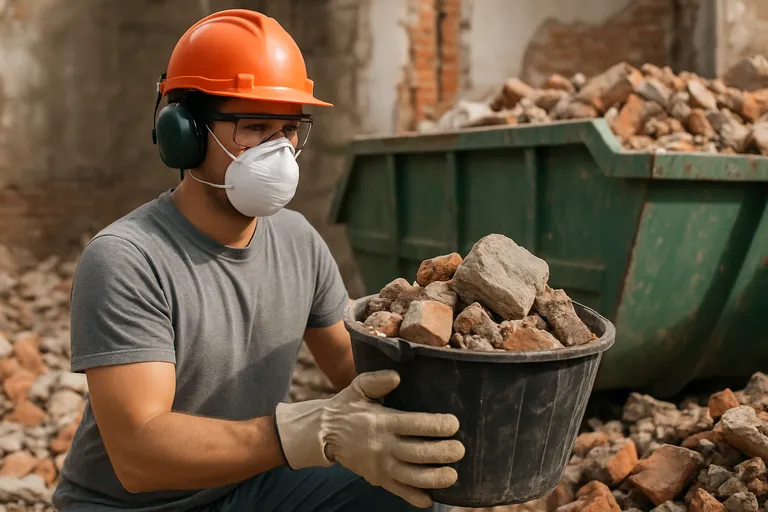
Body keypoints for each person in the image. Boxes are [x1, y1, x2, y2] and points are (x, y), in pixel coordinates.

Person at [51, 9, 465, 512]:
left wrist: (469, 383)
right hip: (130, 508)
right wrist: (306, 430)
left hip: (245, 487)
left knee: (419, 486)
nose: (279, 151)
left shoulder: (298, 240)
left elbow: (353, 366)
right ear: (185, 134)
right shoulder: (128, 258)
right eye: (255, 127)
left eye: (289, 128)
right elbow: (140, 456)